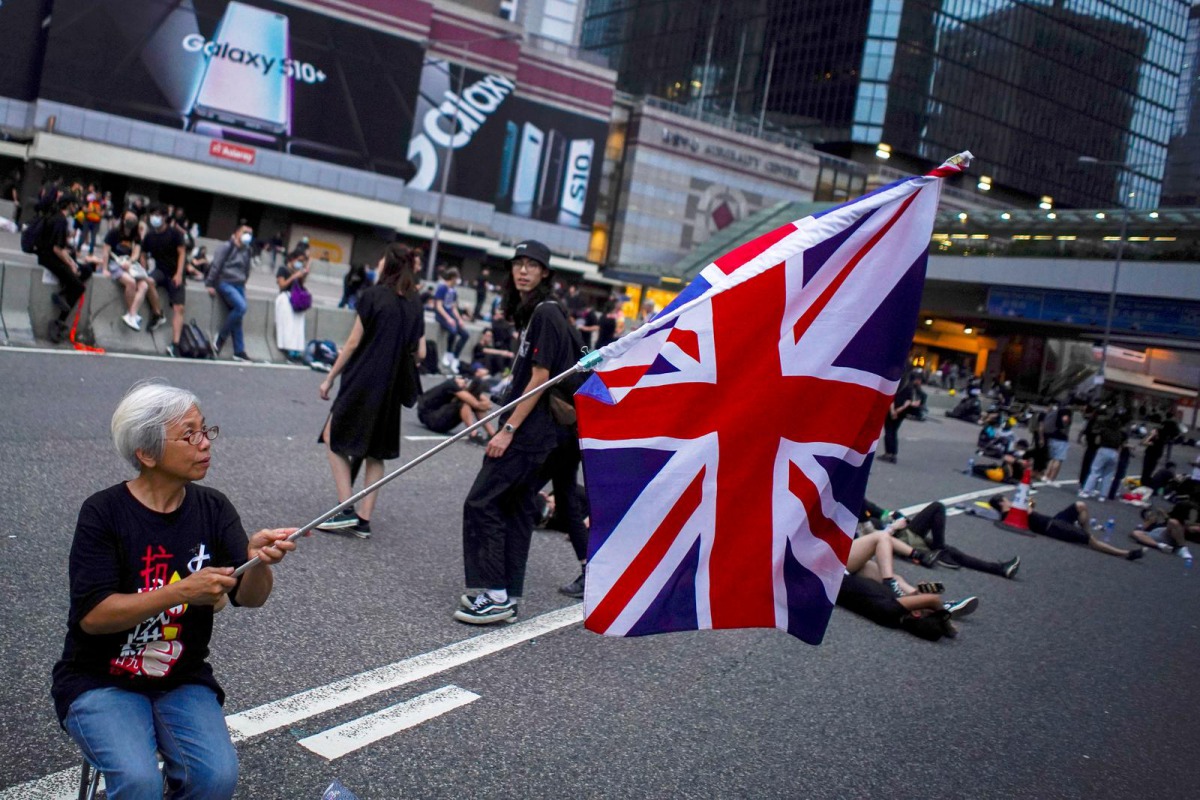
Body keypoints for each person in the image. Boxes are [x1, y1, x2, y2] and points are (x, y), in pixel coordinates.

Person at [51, 382, 301, 800]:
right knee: (138, 781)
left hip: (181, 676)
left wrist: (259, 562)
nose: (205, 444)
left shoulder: (213, 507)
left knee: (216, 778)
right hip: (99, 678)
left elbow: (249, 597)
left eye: (206, 431)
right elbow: (93, 617)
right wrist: (181, 591)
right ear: (146, 454)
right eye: (189, 435)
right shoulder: (103, 512)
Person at [457, 240, 577, 625]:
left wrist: (507, 429)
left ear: (545, 273)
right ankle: (507, 594)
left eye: (532, 265)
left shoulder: (545, 313)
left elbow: (540, 379)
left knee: (482, 502)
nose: (523, 271)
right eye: (518, 264)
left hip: (530, 432)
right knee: (517, 509)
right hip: (538, 431)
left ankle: (493, 594)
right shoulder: (535, 314)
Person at [316, 243, 426, 539]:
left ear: (388, 265)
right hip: (391, 385)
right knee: (376, 452)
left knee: (332, 435)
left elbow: (352, 344)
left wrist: (329, 377)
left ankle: (344, 508)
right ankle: (364, 520)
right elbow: (422, 352)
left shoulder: (373, 296)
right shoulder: (415, 303)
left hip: (363, 378)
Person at [861, 499, 1020, 578]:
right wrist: (893, 528)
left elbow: (877, 511)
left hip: (897, 531)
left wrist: (892, 516)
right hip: (891, 539)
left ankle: (999, 569)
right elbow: (868, 538)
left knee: (953, 552)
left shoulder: (856, 495)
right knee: (937, 507)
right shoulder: (846, 505)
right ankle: (940, 550)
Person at [989, 495, 1144, 559]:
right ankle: (1125, 553)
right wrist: (1026, 503)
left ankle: (1084, 531)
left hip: (1053, 520)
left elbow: (1030, 508)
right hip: (1053, 527)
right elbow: (1028, 511)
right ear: (1002, 503)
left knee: (1080, 505)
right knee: (1090, 541)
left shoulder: (1010, 512)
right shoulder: (1008, 515)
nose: (1009, 500)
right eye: (1006, 499)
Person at [37, 193, 91, 342]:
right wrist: (71, 264)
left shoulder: (56, 216)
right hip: (51, 259)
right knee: (79, 287)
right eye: (75, 205)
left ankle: (64, 292)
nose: (76, 208)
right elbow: (57, 249)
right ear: (69, 205)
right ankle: (59, 321)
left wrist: (73, 262)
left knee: (86, 269)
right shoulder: (60, 220)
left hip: (50, 255)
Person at [140, 203, 188, 356]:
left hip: (175, 272)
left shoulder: (175, 234)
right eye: (153, 215)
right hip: (160, 271)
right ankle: (158, 313)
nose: (155, 218)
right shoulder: (150, 236)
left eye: (158, 215)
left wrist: (179, 274)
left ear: (165, 217)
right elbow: (142, 252)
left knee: (178, 308)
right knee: (147, 281)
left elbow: (182, 253)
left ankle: (175, 344)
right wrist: (144, 267)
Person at [205, 223, 256, 362]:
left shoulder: (247, 250)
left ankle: (239, 351)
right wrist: (210, 283)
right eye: (245, 232)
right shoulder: (227, 247)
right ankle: (220, 338)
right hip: (225, 282)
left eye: (250, 233)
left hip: (239, 284)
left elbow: (247, 268)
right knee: (241, 307)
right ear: (237, 233)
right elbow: (216, 265)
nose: (248, 236)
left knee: (238, 317)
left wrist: (244, 282)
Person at [101, 210, 159, 332]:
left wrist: (130, 262)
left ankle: (131, 314)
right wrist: (105, 269)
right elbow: (106, 251)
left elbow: (136, 253)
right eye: (129, 218)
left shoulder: (136, 236)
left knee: (143, 285)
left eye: (134, 219)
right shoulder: (114, 232)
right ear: (123, 219)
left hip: (129, 265)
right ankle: (132, 315)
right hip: (115, 263)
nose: (131, 221)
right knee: (131, 282)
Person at [417, 376, 495, 441]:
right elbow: (476, 404)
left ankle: (492, 434)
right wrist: (482, 405)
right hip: (429, 418)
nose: (465, 387)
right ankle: (473, 434)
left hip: (438, 417)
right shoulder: (451, 385)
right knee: (465, 404)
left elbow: (487, 404)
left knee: (473, 402)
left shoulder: (460, 385)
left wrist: (482, 404)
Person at [275, 249, 311, 363]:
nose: (300, 263)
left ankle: (296, 351)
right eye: (299, 260)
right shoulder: (283, 269)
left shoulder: (298, 270)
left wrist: (303, 275)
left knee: (298, 325)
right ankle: (288, 350)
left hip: (296, 300)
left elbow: (300, 285)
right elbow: (282, 285)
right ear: (292, 259)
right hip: (285, 299)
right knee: (288, 325)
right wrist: (294, 276)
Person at [879, 372, 923, 463]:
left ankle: (888, 453)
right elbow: (908, 401)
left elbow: (891, 398)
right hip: (902, 412)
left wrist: (893, 411)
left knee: (889, 431)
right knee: (894, 432)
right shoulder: (910, 388)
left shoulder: (898, 385)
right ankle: (894, 453)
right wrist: (899, 410)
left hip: (892, 410)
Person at [1080, 410, 1125, 499]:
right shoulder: (1119, 433)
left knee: (1095, 471)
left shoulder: (1104, 430)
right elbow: (1121, 445)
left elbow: (1097, 441)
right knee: (1108, 474)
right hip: (1115, 452)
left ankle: (1086, 491)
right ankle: (1103, 495)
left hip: (1104, 449)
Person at [1129, 503, 1195, 560]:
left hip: (1165, 536)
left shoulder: (1177, 523)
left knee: (1173, 522)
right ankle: (1160, 546)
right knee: (1135, 533)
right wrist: (1150, 521)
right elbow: (1139, 528)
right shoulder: (1156, 521)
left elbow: (1189, 527)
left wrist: (1164, 515)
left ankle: (1182, 548)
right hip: (1154, 535)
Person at [435, 267, 469, 373]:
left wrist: (459, 319)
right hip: (442, 315)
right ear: (453, 278)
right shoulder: (442, 288)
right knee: (453, 331)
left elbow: (453, 307)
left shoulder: (453, 291)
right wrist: (448, 318)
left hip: (451, 315)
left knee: (465, 335)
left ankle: (455, 357)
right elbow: (439, 306)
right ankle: (448, 353)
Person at [1045, 401, 1072, 482]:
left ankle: (1046, 476)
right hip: (1061, 438)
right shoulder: (1066, 412)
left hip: (1052, 436)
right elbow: (1065, 421)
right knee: (1058, 459)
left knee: (1051, 458)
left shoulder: (1056, 412)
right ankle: (1051, 478)